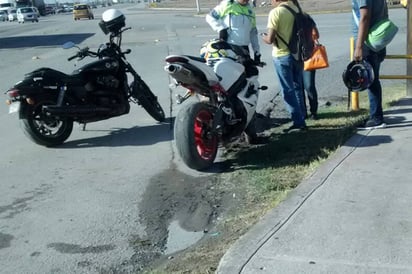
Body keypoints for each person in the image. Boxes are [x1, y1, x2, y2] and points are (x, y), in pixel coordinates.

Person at [206, 0, 267, 144]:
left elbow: (253, 33)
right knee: (228, 86)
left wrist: (257, 52)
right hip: (227, 48)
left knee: (250, 87)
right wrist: (221, 29)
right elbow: (210, 17)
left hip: (243, 51)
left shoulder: (250, 10)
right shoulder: (227, 4)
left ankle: (250, 132)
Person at [261, 0, 307, 133]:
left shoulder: (276, 13)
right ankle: (302, 116)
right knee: (298, 86)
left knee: (287, 90)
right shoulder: (296, 9)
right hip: (297, 54)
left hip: (282, 55)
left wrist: (263, 36)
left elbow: (270, 39)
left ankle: (298, 121)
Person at [352, 0, 388, 128]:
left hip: (368, 42)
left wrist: (359, 46)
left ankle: (376, 118)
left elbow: (365, 16)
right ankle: (376, 115)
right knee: (373, 80)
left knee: (371, 81)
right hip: (377, 40)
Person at [303, 23, 320, 120]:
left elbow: (316, 35)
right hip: (293, 56)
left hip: (308, 56)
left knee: (309, 85)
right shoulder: (287, 18)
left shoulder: (306, 19)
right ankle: (302, 113)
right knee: (298, 88)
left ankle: (314, 111)